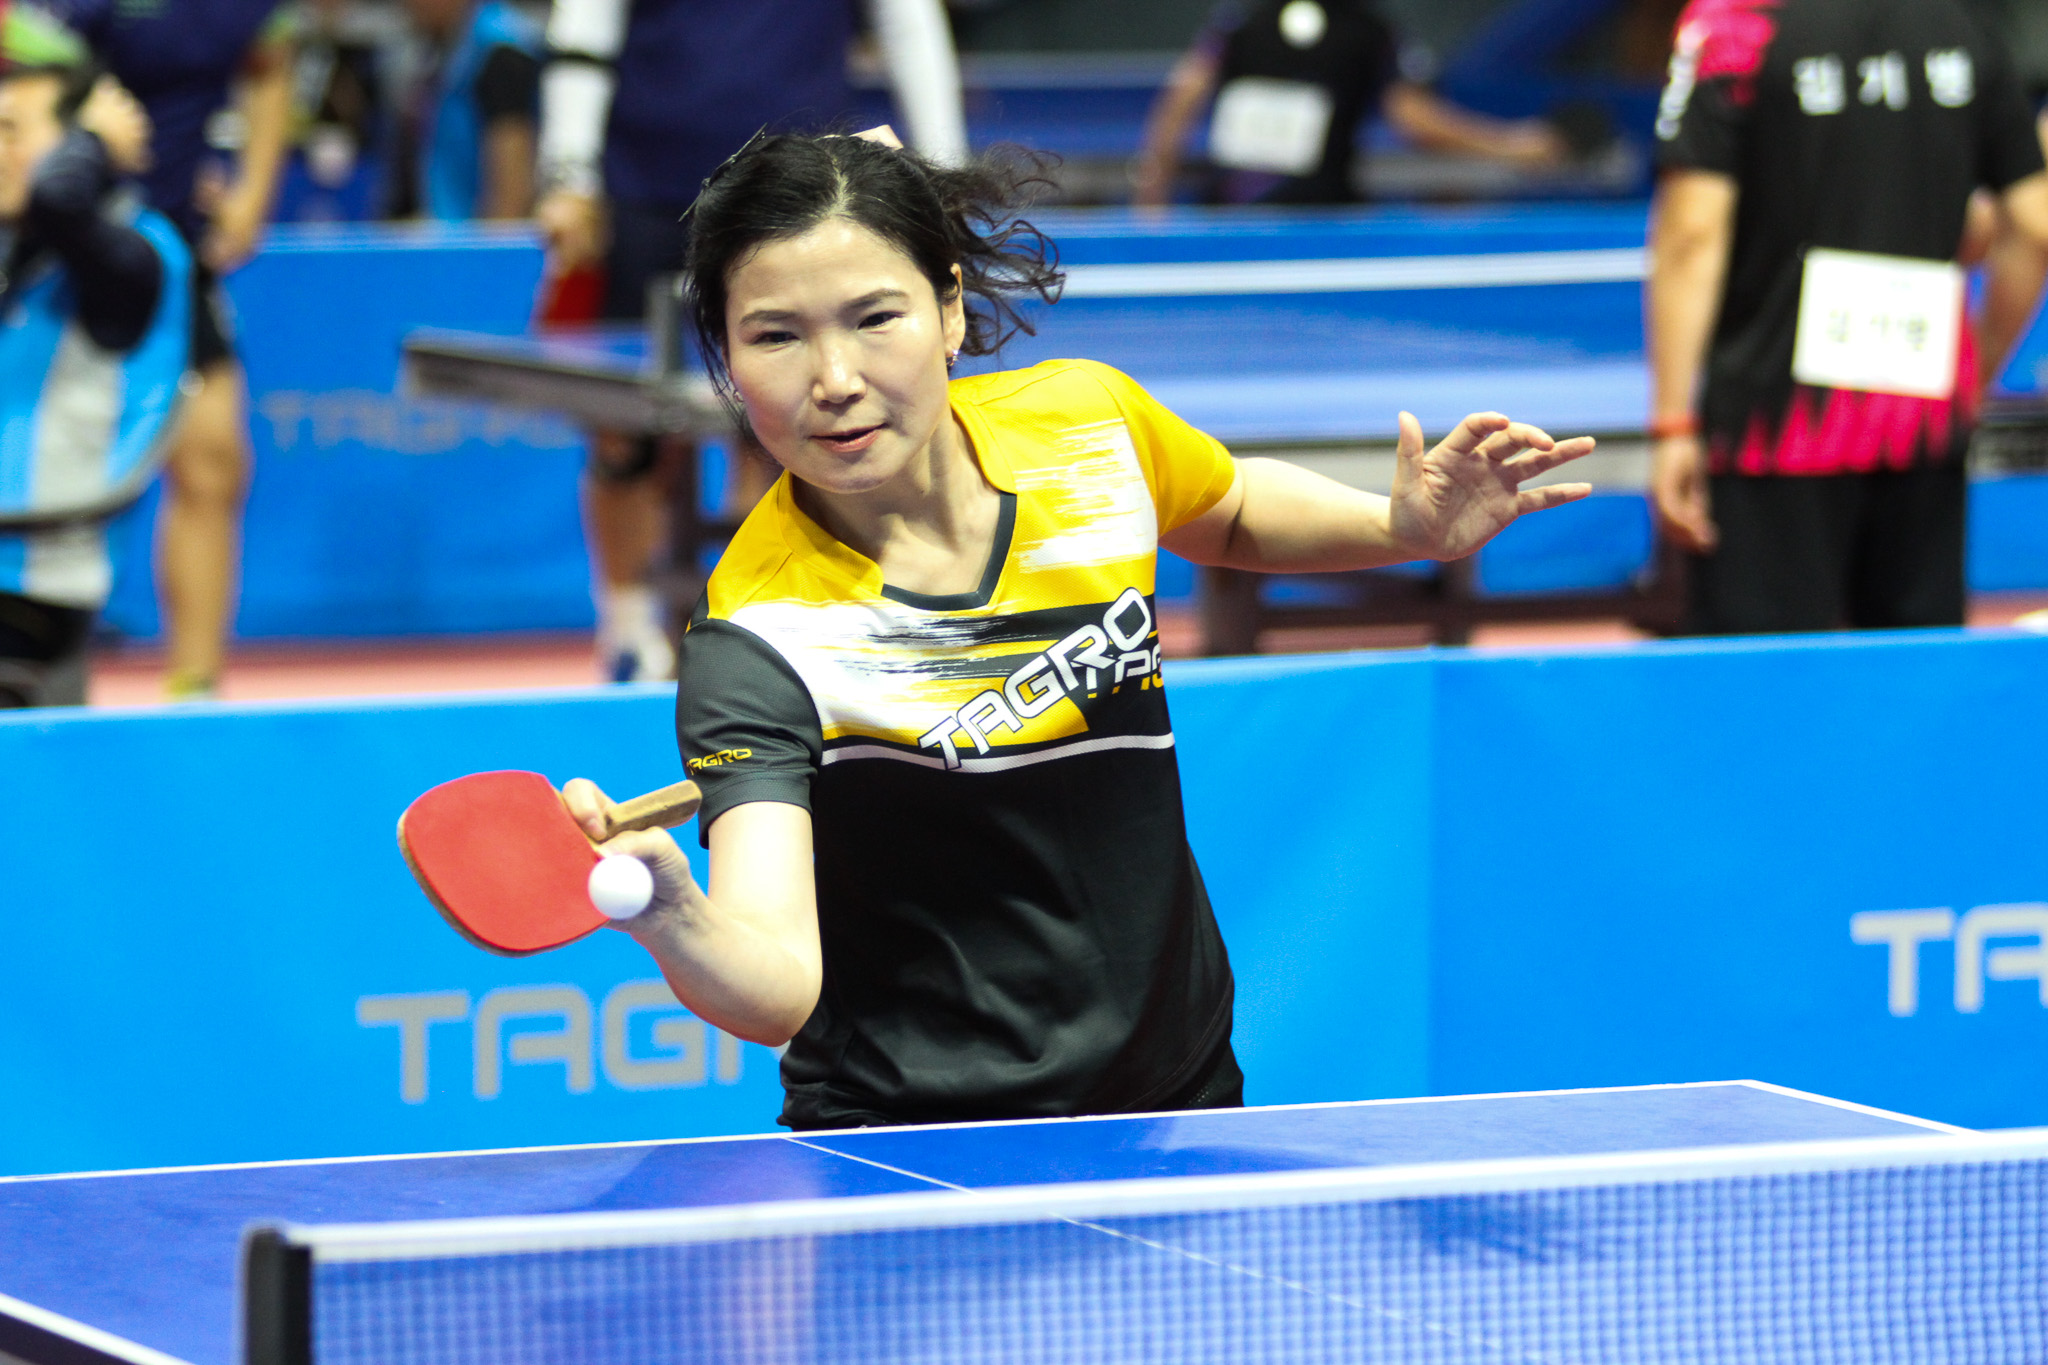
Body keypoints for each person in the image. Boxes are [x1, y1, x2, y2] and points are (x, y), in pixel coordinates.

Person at [559, 129, 1593, 1129]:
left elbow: (1229, 509)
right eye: (775, 336)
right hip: (919, 1136)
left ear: (950, 310)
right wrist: (673, 914)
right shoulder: (762, 634)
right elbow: (778, 985)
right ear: (727, 363)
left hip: (1178, 1094)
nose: (833, 379)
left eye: (874, 317)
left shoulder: (1085, 428)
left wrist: (1397, 527)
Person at [535, 0, 967, 684]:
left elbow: (907, 21)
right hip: (645, 190)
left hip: (799, 193)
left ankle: (763, 617)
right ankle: (628, 631)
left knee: (781, 420)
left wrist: (945, 164)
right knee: (623, 431)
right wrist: (569, 174)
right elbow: (587, 23)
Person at [1647, 0, 2048, 634]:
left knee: (1767, 681)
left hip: (1771, 429)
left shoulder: (1736, 25)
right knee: (1911, 678)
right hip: (1922, 422)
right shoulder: (1960, 24)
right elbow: (2033, 226)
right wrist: (1975, 371)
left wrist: (1673, 421)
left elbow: (1693, 233)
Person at [50, 0, 294, 699]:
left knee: (213, 460)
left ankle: (194, 689)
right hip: (60, 247)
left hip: (172, 253)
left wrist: (252, 194)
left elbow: (269, 64)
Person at [0, 32, 191, 707]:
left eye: (12, 131)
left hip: (33, 582)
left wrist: (94, 140)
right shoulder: (15, 248)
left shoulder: (133, 254)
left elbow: (59, 200)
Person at [1132, 0, 1566, 207]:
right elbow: (1415, 120)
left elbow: (1180, 98)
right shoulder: (1369, 29)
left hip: (1285, 221)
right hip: (1303, 220)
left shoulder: (1241, 19)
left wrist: (1152, 197)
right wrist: (1510, 145)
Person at [391, 0, 539, 221]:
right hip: (453, 234)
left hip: (481, 239)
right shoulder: (454, 46)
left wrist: (495, 242)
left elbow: (511, 193)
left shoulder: (502, 54)